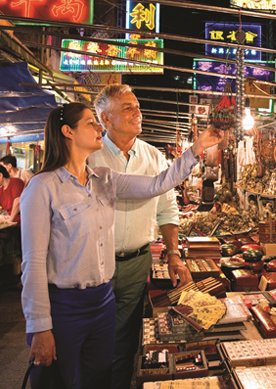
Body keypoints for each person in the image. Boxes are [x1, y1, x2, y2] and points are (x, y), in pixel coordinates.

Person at [20, 102, 222, 389]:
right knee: (55, 382)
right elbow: (33, 262)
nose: (99, 128)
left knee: (99, 378)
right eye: (91, 123)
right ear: (67, 131)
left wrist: (196, 149)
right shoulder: (42, 187)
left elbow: (157, 184)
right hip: (64, 305)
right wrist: (39, 326)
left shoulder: (103, 179)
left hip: (102, 301)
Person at [89, 84, 193, 389]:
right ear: (105, 119)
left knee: (124, 342)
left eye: (137, 106)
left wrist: (173, 253)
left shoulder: (153, 156)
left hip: (136, 263)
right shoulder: (90, 156)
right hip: (95, 263)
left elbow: (167, 208)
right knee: (93, 341)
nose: (138, 112)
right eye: (127, 108)